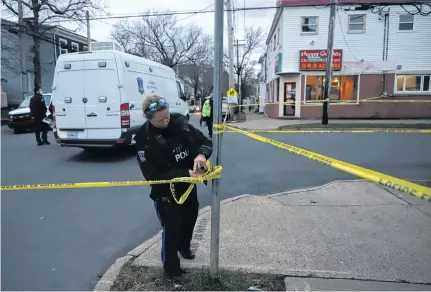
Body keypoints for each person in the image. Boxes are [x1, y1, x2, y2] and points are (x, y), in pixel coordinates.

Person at [133, 94, 213, 282]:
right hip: (166, 194)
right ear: (149, 119)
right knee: (172, 229)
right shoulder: (144, 140)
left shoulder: (179, 122)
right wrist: (185, 172)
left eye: (167, 116)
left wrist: (201, 155)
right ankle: (172, 269)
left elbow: (205, 141)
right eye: (160, 120)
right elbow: (153, 176)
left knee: (191, 216)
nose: (166, 121)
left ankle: (184, 247)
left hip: (187, 187)